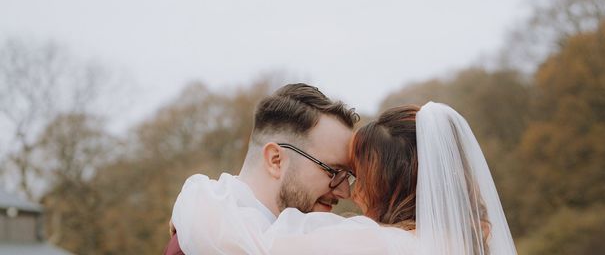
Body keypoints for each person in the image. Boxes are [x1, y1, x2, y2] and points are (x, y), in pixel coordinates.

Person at [172, 102, 518, 255]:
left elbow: (252, 246)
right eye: (335, 171)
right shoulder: (461, 242)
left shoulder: (377, 244)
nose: (348, 192)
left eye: (354, 175)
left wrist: (196, 193)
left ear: (389, 184)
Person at [164, 83, 359, 255]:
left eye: (348, 176)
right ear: (276, 160)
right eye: (333, 172)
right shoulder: (193, 248)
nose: (345, 192)